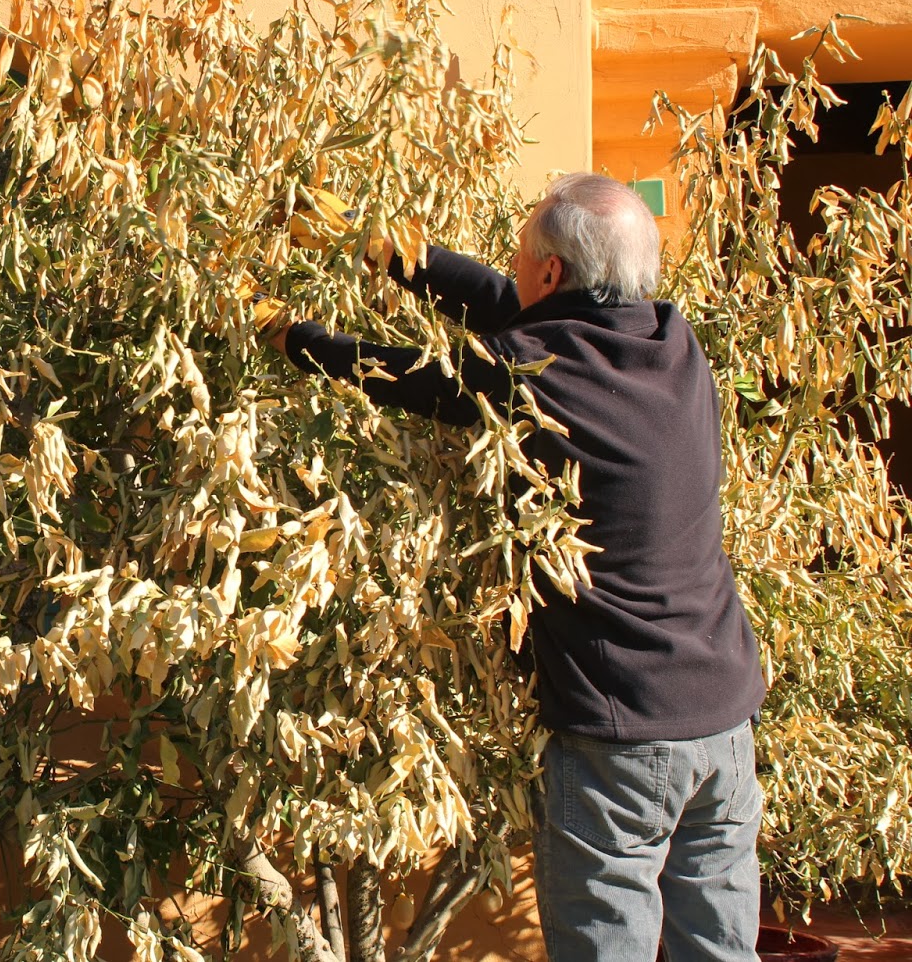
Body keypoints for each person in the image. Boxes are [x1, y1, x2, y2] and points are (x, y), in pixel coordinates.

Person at [258, 173, 767, 961]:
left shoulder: (535, 367)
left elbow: (403, 374)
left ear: (554, 274)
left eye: (527, 258)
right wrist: (376, 243)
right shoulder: (673, 340)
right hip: (725, 720)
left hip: (620, 736)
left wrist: (291, 338)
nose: (517, 274)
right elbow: (501, 300)